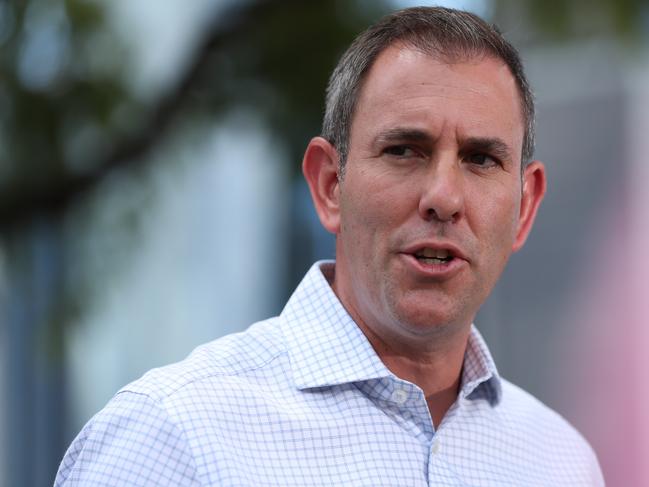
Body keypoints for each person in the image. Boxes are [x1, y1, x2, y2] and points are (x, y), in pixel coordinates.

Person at [54, 7, 605, 486]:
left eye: (481, 159)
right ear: (328, 186)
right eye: (405, 150)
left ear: (525, 208)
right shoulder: (171, 438)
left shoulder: (561, 463)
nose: (444, 196)